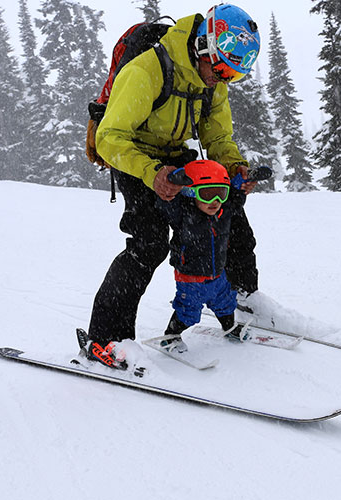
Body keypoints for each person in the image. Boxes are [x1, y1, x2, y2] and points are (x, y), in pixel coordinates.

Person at [82, 4, 262, 368]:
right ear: (202, 47)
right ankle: (106, 338)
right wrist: (152, 174)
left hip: (173, 154)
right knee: (148, 242)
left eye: (235, 74)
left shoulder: (214, 82)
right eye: (223, 68)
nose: (224, 79)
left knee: (228, 202)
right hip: (134, 155)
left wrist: (234, 166)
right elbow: (110, 138)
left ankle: (245, 297)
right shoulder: (147, 70)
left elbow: (218, 136)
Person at [155, 160, 248, 354]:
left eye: (220, 193)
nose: (214, 200)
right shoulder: (183, 214)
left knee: (225, 303)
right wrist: (174, 184)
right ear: (191, 192)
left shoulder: (223, 211)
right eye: (206, 194)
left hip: (218, 274)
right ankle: (171, 336)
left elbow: (236, 201)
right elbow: (166, 204)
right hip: (191, 277)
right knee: (188, 310)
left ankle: (229, 328)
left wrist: (239, 186)